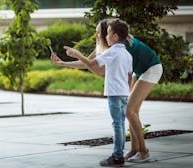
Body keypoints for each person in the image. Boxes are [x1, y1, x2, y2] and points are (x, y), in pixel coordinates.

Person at [51, 18, 163, 163]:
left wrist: (78, 55)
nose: (97, 35)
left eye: (98, 32)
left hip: (151, 68)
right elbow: (88, 63)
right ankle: (134, 150)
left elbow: (97, 69)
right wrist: (62, 63)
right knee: (131, 112)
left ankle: (144, 152)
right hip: (138, 71)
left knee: (130, 111)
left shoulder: (118, 47)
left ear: (109, 34)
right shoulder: (110, 44)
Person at [58, 19, 133, 167]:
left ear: (115, 36)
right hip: (123, 93)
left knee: (117, 124)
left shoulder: (111, 51)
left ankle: (118, 156)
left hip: (114, 93)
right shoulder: (127, 54)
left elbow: (91, 64)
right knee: (121, 124)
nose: (105, 36)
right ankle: (119, 153)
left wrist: (76, 53)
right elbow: (130, 76)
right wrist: (63, 63)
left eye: (108, 34)